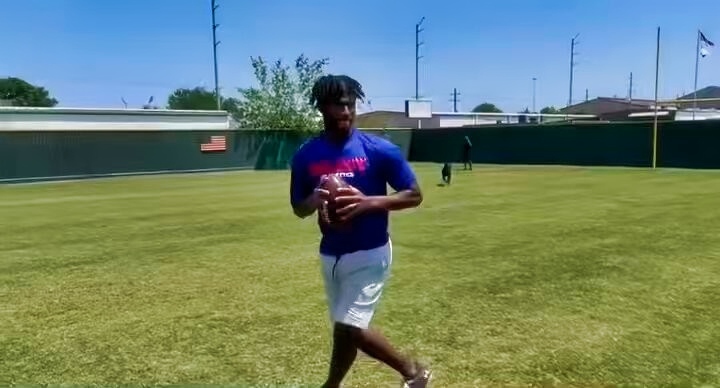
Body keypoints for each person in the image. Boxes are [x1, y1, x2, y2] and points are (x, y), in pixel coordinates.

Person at [289, 74, 432, 388]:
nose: (347, 111)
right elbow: (298, 207)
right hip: (331, 255)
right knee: (344, 328)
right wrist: (315, 198)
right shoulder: (306, 155)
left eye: (351, 104)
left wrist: (369, 203)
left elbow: (414, 194)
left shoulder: (379, 150)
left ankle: (414, 374)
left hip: (370, 251)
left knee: (352, 327)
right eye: (339, 105)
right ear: (322, 107)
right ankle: (331, 385)